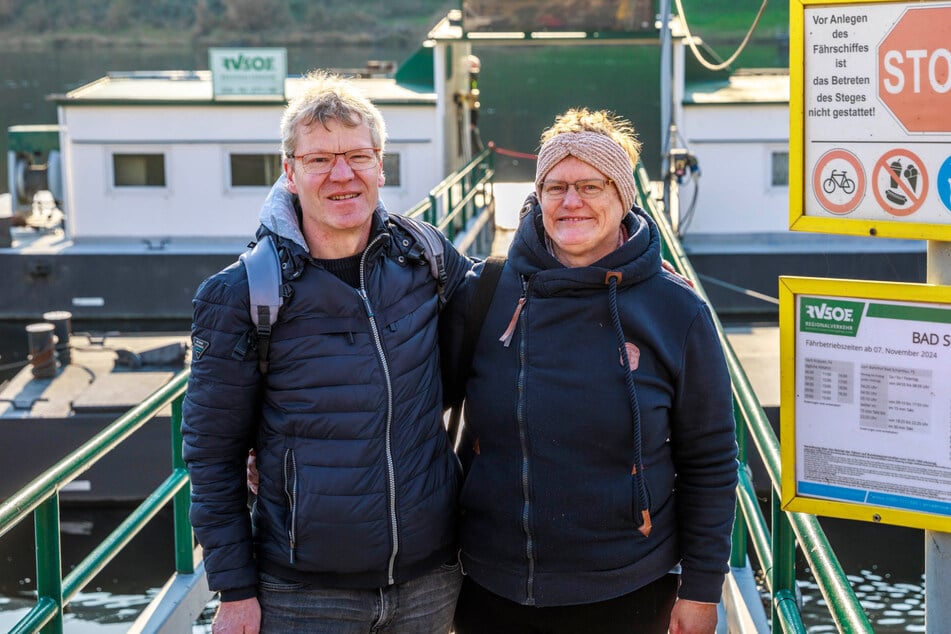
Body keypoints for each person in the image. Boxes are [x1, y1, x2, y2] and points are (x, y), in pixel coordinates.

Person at [182, 70, 469, 633]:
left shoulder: (426, 257)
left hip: (430, 580)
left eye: (358, 156)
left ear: (381, 164)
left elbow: (515, 300)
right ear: (289, 173)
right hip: (304, 594)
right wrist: (235, 589)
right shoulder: (241, 294)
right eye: (319, 160)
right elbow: (212, 455)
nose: (343, 175)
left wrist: (626, 267)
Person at [442, 108, 738, 634]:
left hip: (627, 588)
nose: (571, 202)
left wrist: (701, 587)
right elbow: (405, 401)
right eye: (555, 187)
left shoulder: (676, 311)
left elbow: (710, 458)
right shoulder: (486, 293)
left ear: (623, 196)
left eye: (591, 186)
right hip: (491, 585)